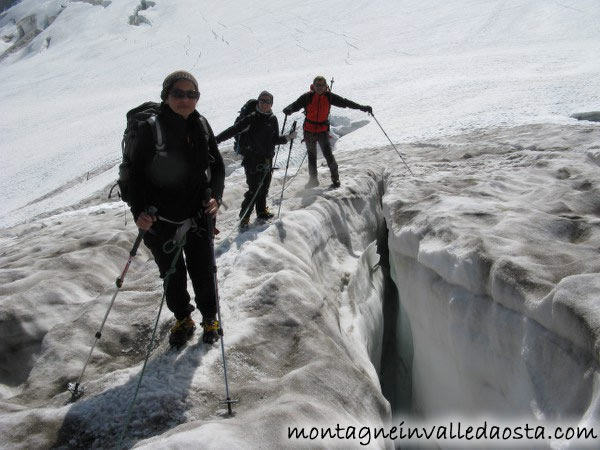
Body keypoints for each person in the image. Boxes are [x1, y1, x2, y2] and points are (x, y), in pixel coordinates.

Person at [128, 70, 225, 347]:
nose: (185, 99)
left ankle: (209, 317)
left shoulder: (201, 125)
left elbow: (217, 165)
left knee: (204, 270)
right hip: (161, 221)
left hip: (198, 216)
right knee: (172, 274)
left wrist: (216, 196)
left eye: (191, 94)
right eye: (178, 94)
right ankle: (183, 317)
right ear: (166, 95)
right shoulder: (151, 128)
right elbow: (135, 176)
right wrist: (139, 213)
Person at [216, 90, 296, 228]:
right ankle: (244, 217)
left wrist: (287, 138)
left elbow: (274, 139)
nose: (264, 104)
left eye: (268, 101)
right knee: (254, 189)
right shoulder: (251, 118)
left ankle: (261, 212)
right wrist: (215, 140)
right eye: (262, 101)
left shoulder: (272, 119)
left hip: (267, 159)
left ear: (271, 104)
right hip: (252, 160)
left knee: (264, 188)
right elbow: (233, 130)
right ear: (258, 102)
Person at [283, 75, 372, 188]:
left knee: (328, 155)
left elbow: (345, 103)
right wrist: (289, 109)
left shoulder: (329, 97)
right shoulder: (307, 97)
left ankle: (335, 178)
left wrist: (362, 107)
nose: (320, 87)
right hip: (309, 131)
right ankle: (313, 180)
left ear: (326, 86)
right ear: (313, 86)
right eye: (317, 85)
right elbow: (296, 105)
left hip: (321, 131)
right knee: (312, 156)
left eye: (322, 85)